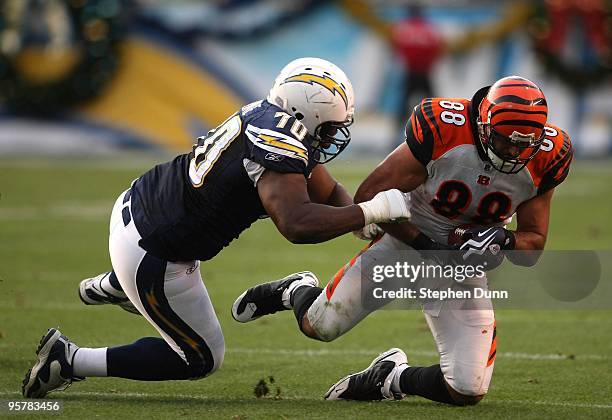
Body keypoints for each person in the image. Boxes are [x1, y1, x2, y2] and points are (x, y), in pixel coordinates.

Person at [21, 57, 411, 398]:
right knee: (200, 356)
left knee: (176, 310)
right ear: (305, 114)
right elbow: (296, 223)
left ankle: (119, 285)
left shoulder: (272, 118)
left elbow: (322, 185)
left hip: (142, 204)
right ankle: (69, 360)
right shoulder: (278, 138)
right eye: (328, 127)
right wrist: (368, 212)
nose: (332, 136)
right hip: (156, 250)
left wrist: (353, 211)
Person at [232, 76, 573, 406]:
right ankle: (296, 290)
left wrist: (504, 238)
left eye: (523, 144)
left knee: (467, 390)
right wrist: (427, 244)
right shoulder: (445, 129)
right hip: (406, 240)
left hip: (460, 265)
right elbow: (370, 195)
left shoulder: (549, 155)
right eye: (504, 140)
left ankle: (389, 378)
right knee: (320, 326)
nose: (513, 152)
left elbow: (533, 245)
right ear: (484, 124)